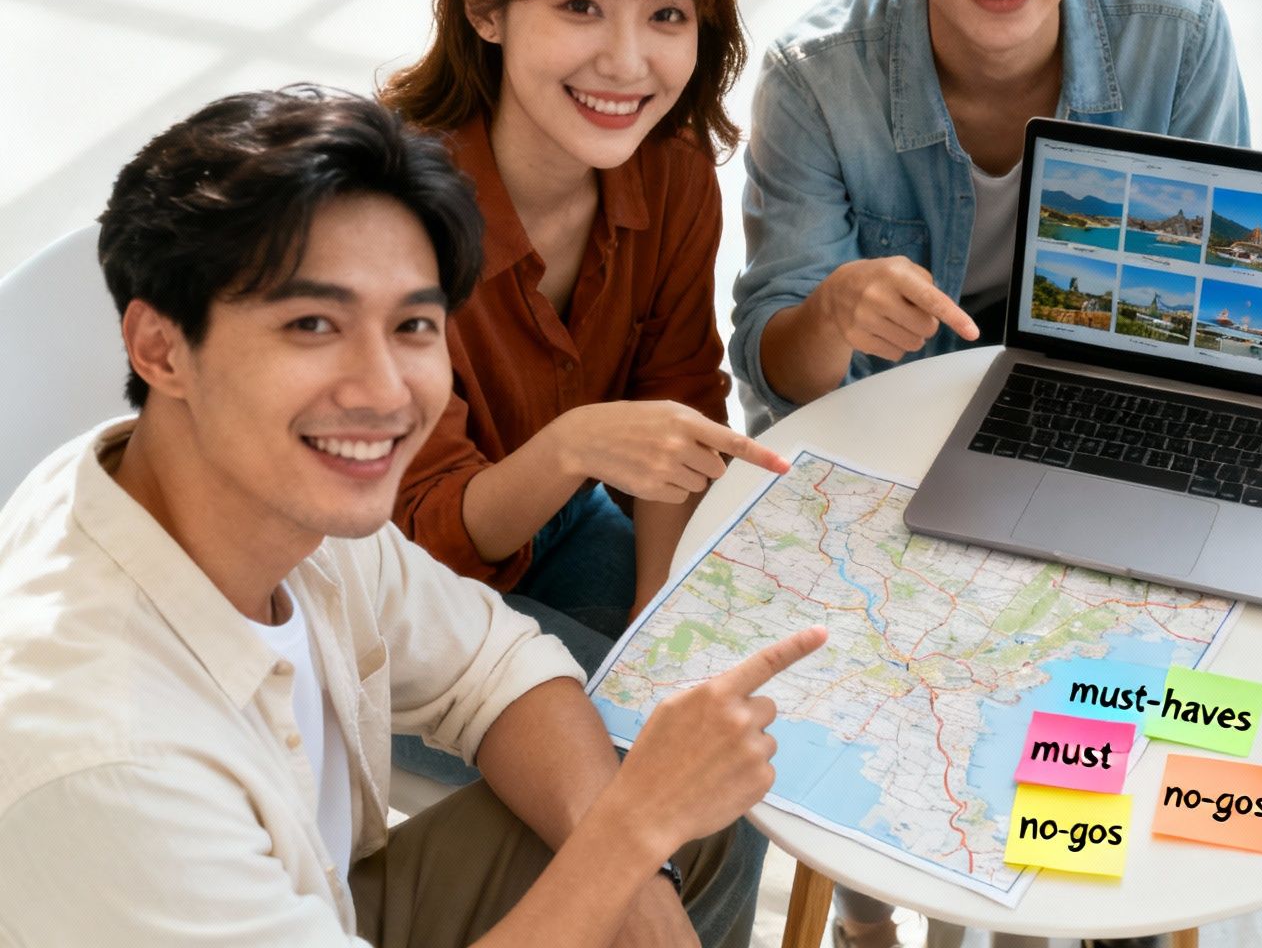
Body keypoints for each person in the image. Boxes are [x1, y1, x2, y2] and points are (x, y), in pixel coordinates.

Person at [0, 87, 826, 947]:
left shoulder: (268, 498)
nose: (384, 391)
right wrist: (628, 839)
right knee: (649, 813)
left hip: (324, 897)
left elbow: (496, 666)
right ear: (160, 347)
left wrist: (644, 884)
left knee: (694, 814)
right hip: (216, 892)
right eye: (313, 323)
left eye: (414, 325)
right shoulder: (108, 759)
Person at [381, 0, 786, 691]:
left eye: (667, 14)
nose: (628, 61)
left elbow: (679, 404)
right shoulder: (386, 218)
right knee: (652, 789)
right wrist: (570, 450)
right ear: (484, 9)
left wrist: (658, 625)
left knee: (731, 712)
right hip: (385, 599)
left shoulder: (670, 170)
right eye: (580, 6)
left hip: (555, 526)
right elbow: (426, 532)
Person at [731, 0, 1251, 432]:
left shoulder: (1179, 36)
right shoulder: (814, 78)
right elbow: (780, 384)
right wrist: (830, 314)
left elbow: (1206, 312)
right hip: (881, 430)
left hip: (1089, 416)